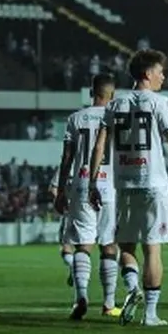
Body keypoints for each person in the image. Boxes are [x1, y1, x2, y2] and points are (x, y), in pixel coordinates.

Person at [88, 49, 168, 327]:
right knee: (153, 250)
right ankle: (150, 314)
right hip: (153, 183)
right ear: (147, 74)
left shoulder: (114, 106)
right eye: (159, 71)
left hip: (124, 185)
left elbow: (100, 146)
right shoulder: (160, 102)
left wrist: (94, 181)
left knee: (126, 246)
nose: (163, 76)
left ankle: (132, 289)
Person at [54, 73, 123, 320]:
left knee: (83, 244)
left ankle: (80, 297)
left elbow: (66, 159)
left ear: (91, 92)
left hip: (82, 184)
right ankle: (109, 303)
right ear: (112, 95)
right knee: (109, 245)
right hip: (110, 188)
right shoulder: (116, 119)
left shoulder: (76, 118)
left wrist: (61, 190)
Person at [50, 166, 74, 287]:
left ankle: (73, 266)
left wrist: (59, 200)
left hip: (70, 211)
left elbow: (54, 188)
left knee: (66, 247)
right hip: (94, 210)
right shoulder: (100, 161)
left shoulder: (67, 165)